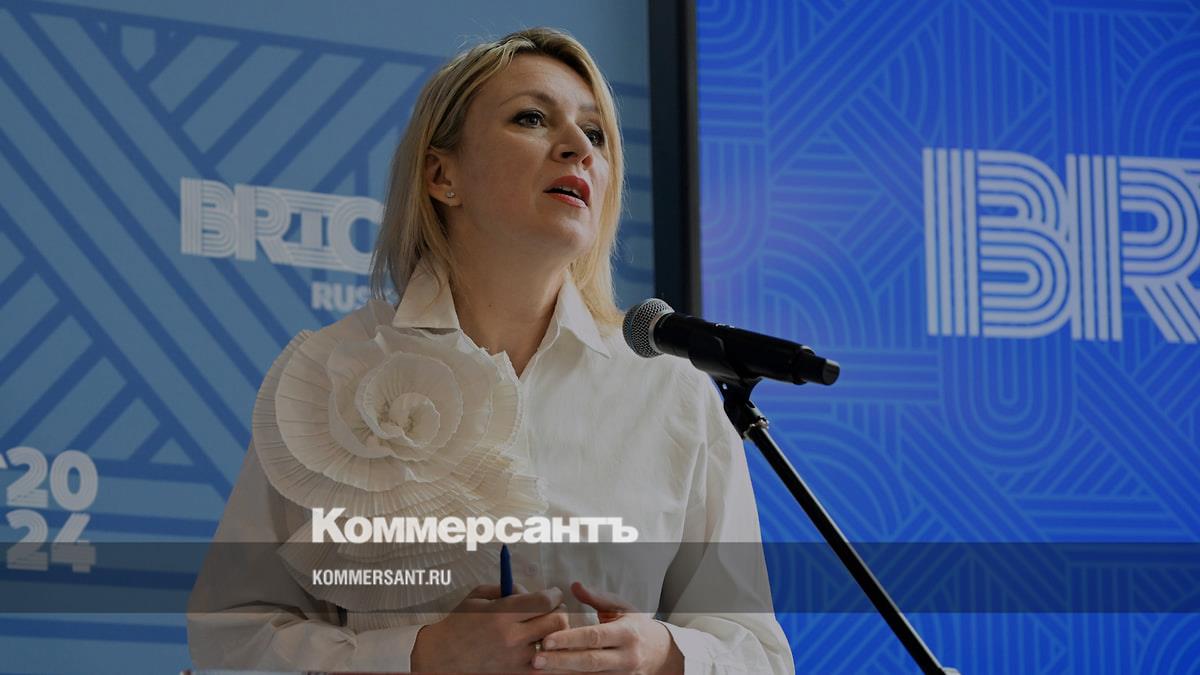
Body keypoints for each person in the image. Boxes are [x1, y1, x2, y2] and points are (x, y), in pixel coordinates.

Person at [187, 27, 793, 673]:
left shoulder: (671, 391)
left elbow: (758, 654)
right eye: (532, 118)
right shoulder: (331, 377)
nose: (577, 147)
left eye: (595, 134)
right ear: (442, 174)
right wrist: (417, 656)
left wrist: (663, 654)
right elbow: (229, 640)